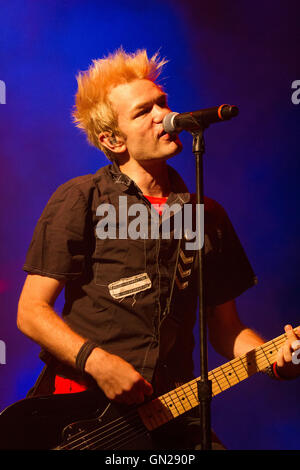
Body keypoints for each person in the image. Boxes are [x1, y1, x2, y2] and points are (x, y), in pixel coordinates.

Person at [17, 49, 300, 450]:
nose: (161, 115)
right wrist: (99, 363)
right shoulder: (82, 198)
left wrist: (277, 360)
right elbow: (30, 312)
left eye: (162, 104)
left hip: (171, 413)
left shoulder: (207, 215)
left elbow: (227, 329)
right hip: (82, 417)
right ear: (113, 140)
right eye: (142, 111)